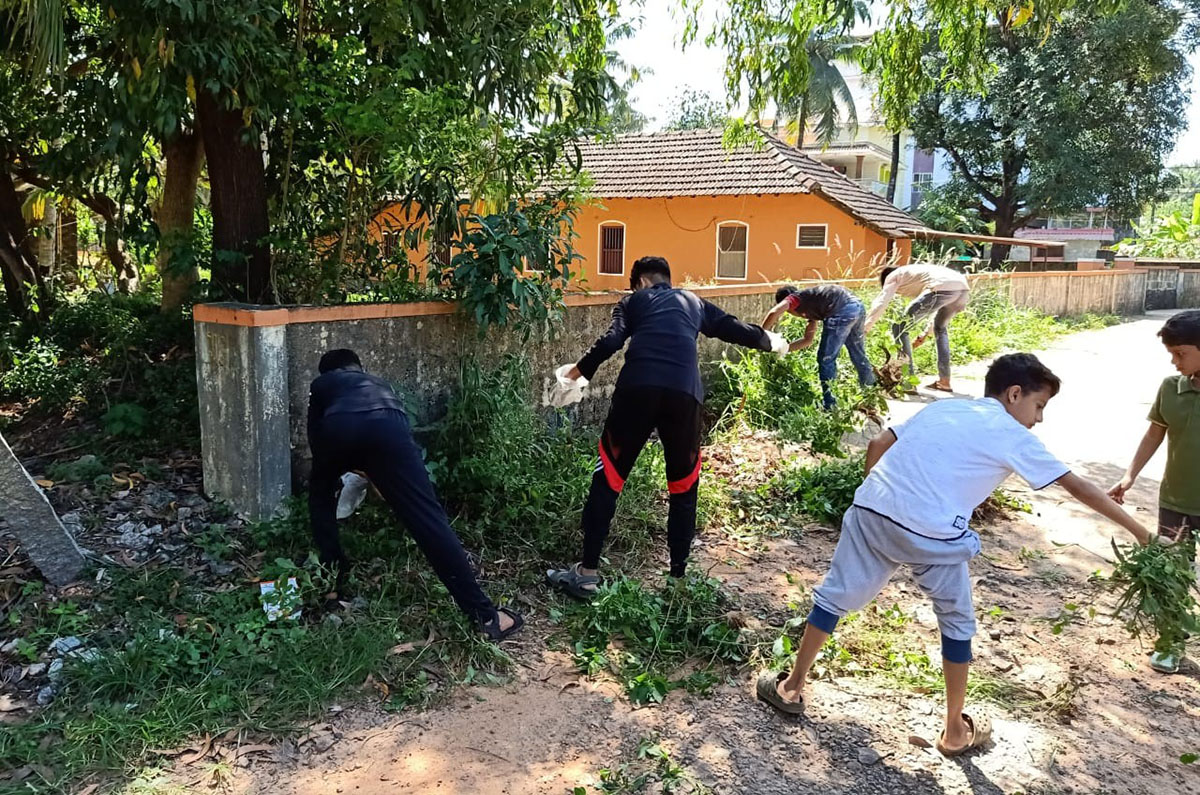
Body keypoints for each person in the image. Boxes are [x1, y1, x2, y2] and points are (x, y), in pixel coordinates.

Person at [754, 353, 1150, 756]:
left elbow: (878, 442)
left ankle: (791, 687)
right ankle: (955, 732)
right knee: (957, 623)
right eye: (1039, 406)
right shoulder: (1013, 435)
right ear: (1014, 394)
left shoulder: (944, 408)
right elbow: (1078, 487)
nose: (1039, 419)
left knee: (835, 596)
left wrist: (878, 494)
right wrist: (1141, 532)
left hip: (872, 511)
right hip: (933, 537)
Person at [546, 256, 788, 597]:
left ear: (640, 282)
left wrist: (574, 374)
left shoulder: (633, 300)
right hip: (685, 397)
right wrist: (770, 341)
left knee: (609, 477)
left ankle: (587, 574)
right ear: (667, 280)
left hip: (636, 392)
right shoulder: (693, 301)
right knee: (683, 486)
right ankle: (676, 582)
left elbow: (611, 341)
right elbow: (732, 328)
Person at [307, 349, 522, 641]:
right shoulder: (381, 386)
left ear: (328, 372)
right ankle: (486, 617)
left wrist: (334, 476)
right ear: (358, 368)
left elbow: (319, 444)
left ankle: (332, 583)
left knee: (319, 496)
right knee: (428, 520)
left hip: (338, 426)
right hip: (388, 426)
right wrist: (379, 479)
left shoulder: (323, 386)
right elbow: (391, 441)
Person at [1108, 309, 1200, 674]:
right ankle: (1171, 641)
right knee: (1172, 574)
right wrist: (1130, 475)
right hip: (1176, 500)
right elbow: (1154, 433)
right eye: (1172, 355)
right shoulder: (1170, 388)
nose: (1175, 362)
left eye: (1181, 353)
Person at [762, 284, 876, 409]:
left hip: (842, 310)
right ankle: (870, 394)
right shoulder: (813, 305)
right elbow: (808, 340)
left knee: (826, 360)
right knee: (858, 354)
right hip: (857, 307)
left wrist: (760, 336)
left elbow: (774, 312)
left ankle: (830, 405)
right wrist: (783, 349)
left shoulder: (795, 298)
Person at [864, 263, 971, 393]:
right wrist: (925, 335)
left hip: (940, 289)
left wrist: (865, 328)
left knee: (899, 328)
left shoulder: (893, 276)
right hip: (963, 291)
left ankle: (908, 382)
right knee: (940, 329)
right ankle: (944, 382)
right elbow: (937, 306)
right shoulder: (915, 273)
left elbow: (882, 302)